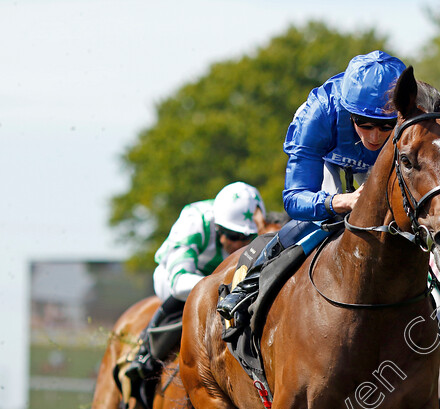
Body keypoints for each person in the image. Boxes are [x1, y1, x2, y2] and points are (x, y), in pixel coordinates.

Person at [217, 50, 406, 318]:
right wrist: (338, 201)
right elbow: (295, 200)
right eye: (363, 124)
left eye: (385, 125)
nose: (375, 136)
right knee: (323, 217)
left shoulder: (411, 113)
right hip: (329, 159)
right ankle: (249, 285)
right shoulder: (318, 113)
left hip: (383, 164)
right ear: (347, 111)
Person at [121, 181, 266, 387]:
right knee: (186, 298)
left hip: (231, 284)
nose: (240, 244)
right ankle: (144, 354)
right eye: (233, 236)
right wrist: (230, 286)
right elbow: (179, 283)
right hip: (178, 278)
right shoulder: (194, 222)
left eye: (247, 237)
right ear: (218, 226)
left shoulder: (259, 223)